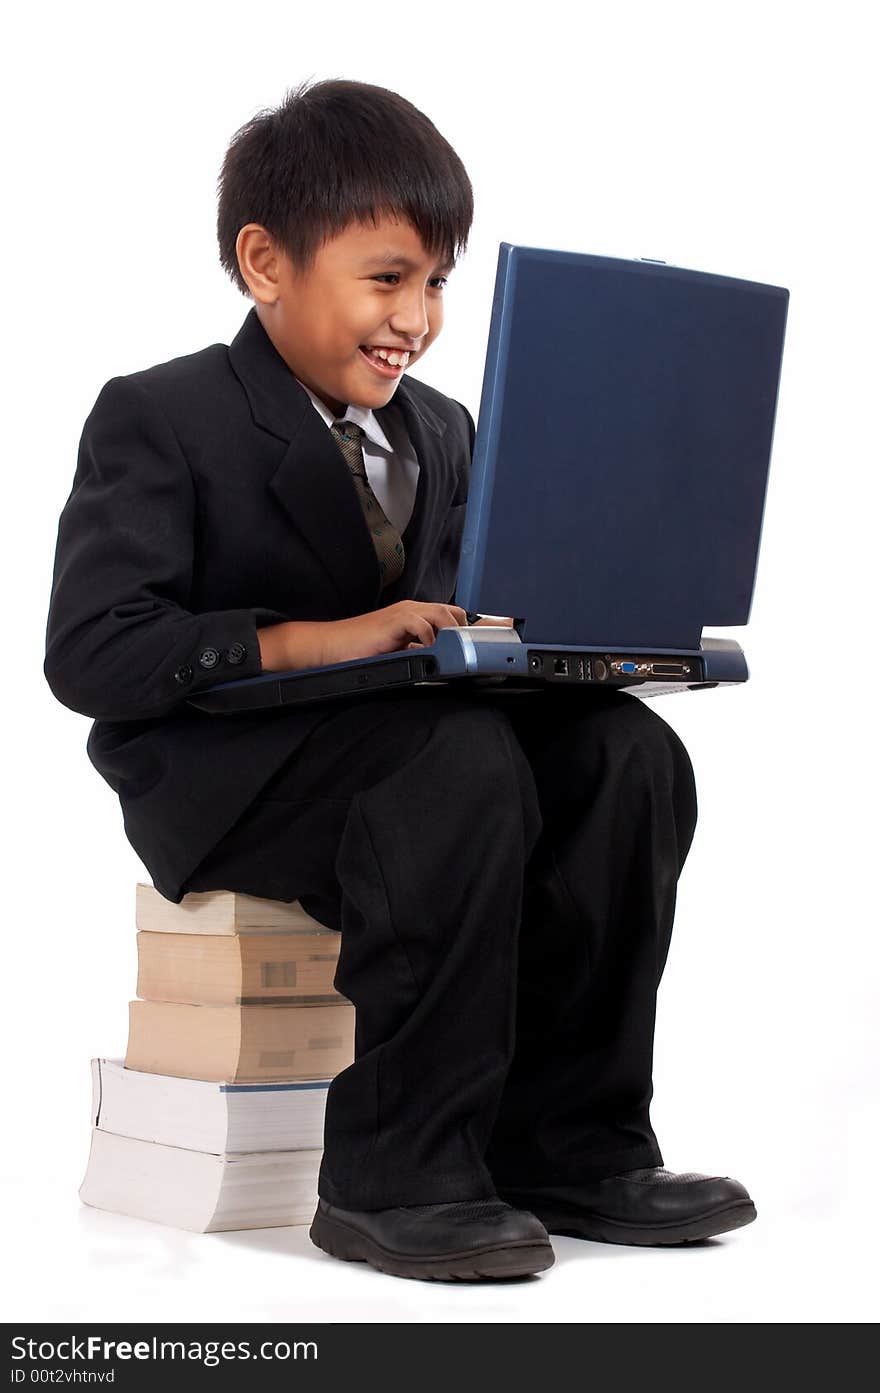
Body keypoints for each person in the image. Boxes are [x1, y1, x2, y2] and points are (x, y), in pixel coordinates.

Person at [44, 77, 756, 1283]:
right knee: (458, 765)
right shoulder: (161, 415)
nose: (416, 316)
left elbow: (448, 626)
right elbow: (94, 650)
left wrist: (552, 642)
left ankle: (570, 1146)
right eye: (387, 278)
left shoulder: (446, 427)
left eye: (435, 284)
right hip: (233, 766)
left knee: (626, 754)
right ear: (265, 261)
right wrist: (335, 636)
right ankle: (393, 1174)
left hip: (412, 739)